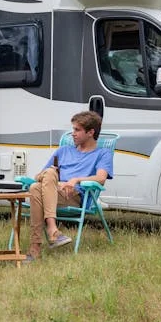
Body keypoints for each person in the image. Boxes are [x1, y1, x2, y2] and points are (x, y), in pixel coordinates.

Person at [26, 111, 113, 261]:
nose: (72, 134)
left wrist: (75, 180)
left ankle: (35, 248)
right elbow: (39, 176)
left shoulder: (102, 153)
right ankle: (53, 231)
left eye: (77, 130)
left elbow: (101, 178)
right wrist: (56, 182)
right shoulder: (63, 150)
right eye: (73, 129)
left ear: (91, 132)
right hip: (55, 191)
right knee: (40, 182)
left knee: (36, 189)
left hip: (74, 197)